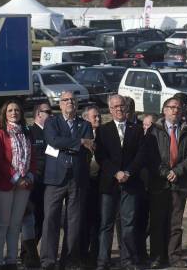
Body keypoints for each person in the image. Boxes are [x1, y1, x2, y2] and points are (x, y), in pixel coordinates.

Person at [40, 92, 93, 270]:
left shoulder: (85, 124)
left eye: (72, 100)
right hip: (55, 178)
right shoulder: (52, 122)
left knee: (74, 221)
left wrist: (67, 145)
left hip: (77, 177)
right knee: (50, 220)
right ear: (60, 104)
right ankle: (48, 260)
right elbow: (53, 140)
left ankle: (69, 260)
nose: (69, 102)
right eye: (66, 100)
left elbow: (89, 147)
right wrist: (78, 142)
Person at [147, 96, 187, 268]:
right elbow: (150, 156)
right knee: (157, 221)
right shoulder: (154, 130)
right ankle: (157, 256)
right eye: (171, 107)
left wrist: (177, 171)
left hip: (180, 182)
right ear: (164, 110)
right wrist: (165, 172)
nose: (175, 110)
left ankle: (174, 256)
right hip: (159, 183)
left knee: (175, 223)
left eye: (178, 108)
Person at [95, 94, 146, 270]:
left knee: (128, 224)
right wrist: (115, 172)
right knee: (106, 224)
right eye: (115, 106)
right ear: (110, 109)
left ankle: (127, 260)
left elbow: (141, 155)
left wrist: (128, 172)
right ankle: (103, 261)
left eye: (121, 106)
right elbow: (101, 156)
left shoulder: (137, 129)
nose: (119, 109)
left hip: (130, 183)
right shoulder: (103, 130)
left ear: (127, 108)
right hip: (109, 184)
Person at [0, 99, 36, 269]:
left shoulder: (26, 132)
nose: (14, 113)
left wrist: (29, 176)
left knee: (16, 225)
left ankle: (11, 261)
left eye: (16, 110)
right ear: (4, 113)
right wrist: (17, 178)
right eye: (10, 110)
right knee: (2, 224)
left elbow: (33, 158)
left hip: (24, 185)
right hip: (4, 184)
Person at [20, 103, 51, 268]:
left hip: (50, 181)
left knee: (42, 218)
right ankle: (27, 255)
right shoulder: (30, 132)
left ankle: (29, 254)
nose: (51, 114)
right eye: (48, 112)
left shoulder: (51, 132)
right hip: (35, 182)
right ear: (38, 114)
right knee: (32, 219)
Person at [81, 106, 102, 268]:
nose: (98, 119)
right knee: (83, 221)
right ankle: (81, 254)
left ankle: (95, 256)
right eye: (94, 117)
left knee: (98, 221)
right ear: (86, 119)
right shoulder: (81, 134)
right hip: (84, 183)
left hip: (101, 183)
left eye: (99, 116)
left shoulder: (104, 134)